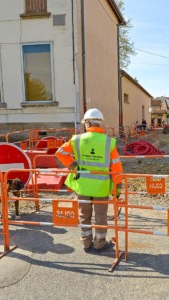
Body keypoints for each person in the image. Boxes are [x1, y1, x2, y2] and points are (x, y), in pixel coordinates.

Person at [55, 108, 123, 253]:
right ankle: (99, 243)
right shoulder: (108, 142)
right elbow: (116, 168)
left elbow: (60, 153)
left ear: (86, 123)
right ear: (100, 124)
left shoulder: (77, 139)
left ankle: (86, 244)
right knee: (100, 216)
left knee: (84, 215)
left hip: (83, 187)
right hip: (101, 188)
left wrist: (74, 165)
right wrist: (117, 188)